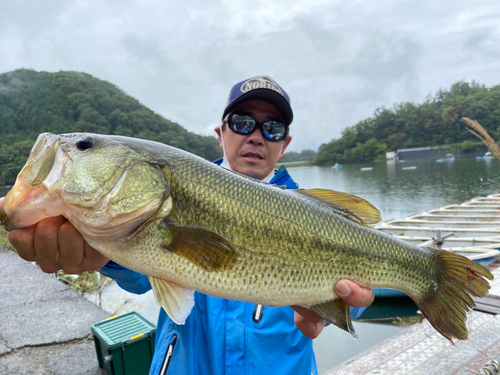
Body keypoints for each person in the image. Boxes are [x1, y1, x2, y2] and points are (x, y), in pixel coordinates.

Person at [0, 75, 374, 374]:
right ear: (221, 132)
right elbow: (141, 276)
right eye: (243, 122)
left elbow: (353, 293)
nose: (257, 135)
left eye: (272, 128)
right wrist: (100, 249)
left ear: (285, 142)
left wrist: (347, 306)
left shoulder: (315, 214)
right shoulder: (178, 190)